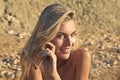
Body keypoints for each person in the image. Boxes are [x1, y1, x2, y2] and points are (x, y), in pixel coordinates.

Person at [20, 3, 91, 80]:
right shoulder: (34, 60)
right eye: (61, 36)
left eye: (73, 34)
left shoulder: (81, 57)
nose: (69, 43)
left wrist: (54, 75)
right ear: (47, 36)